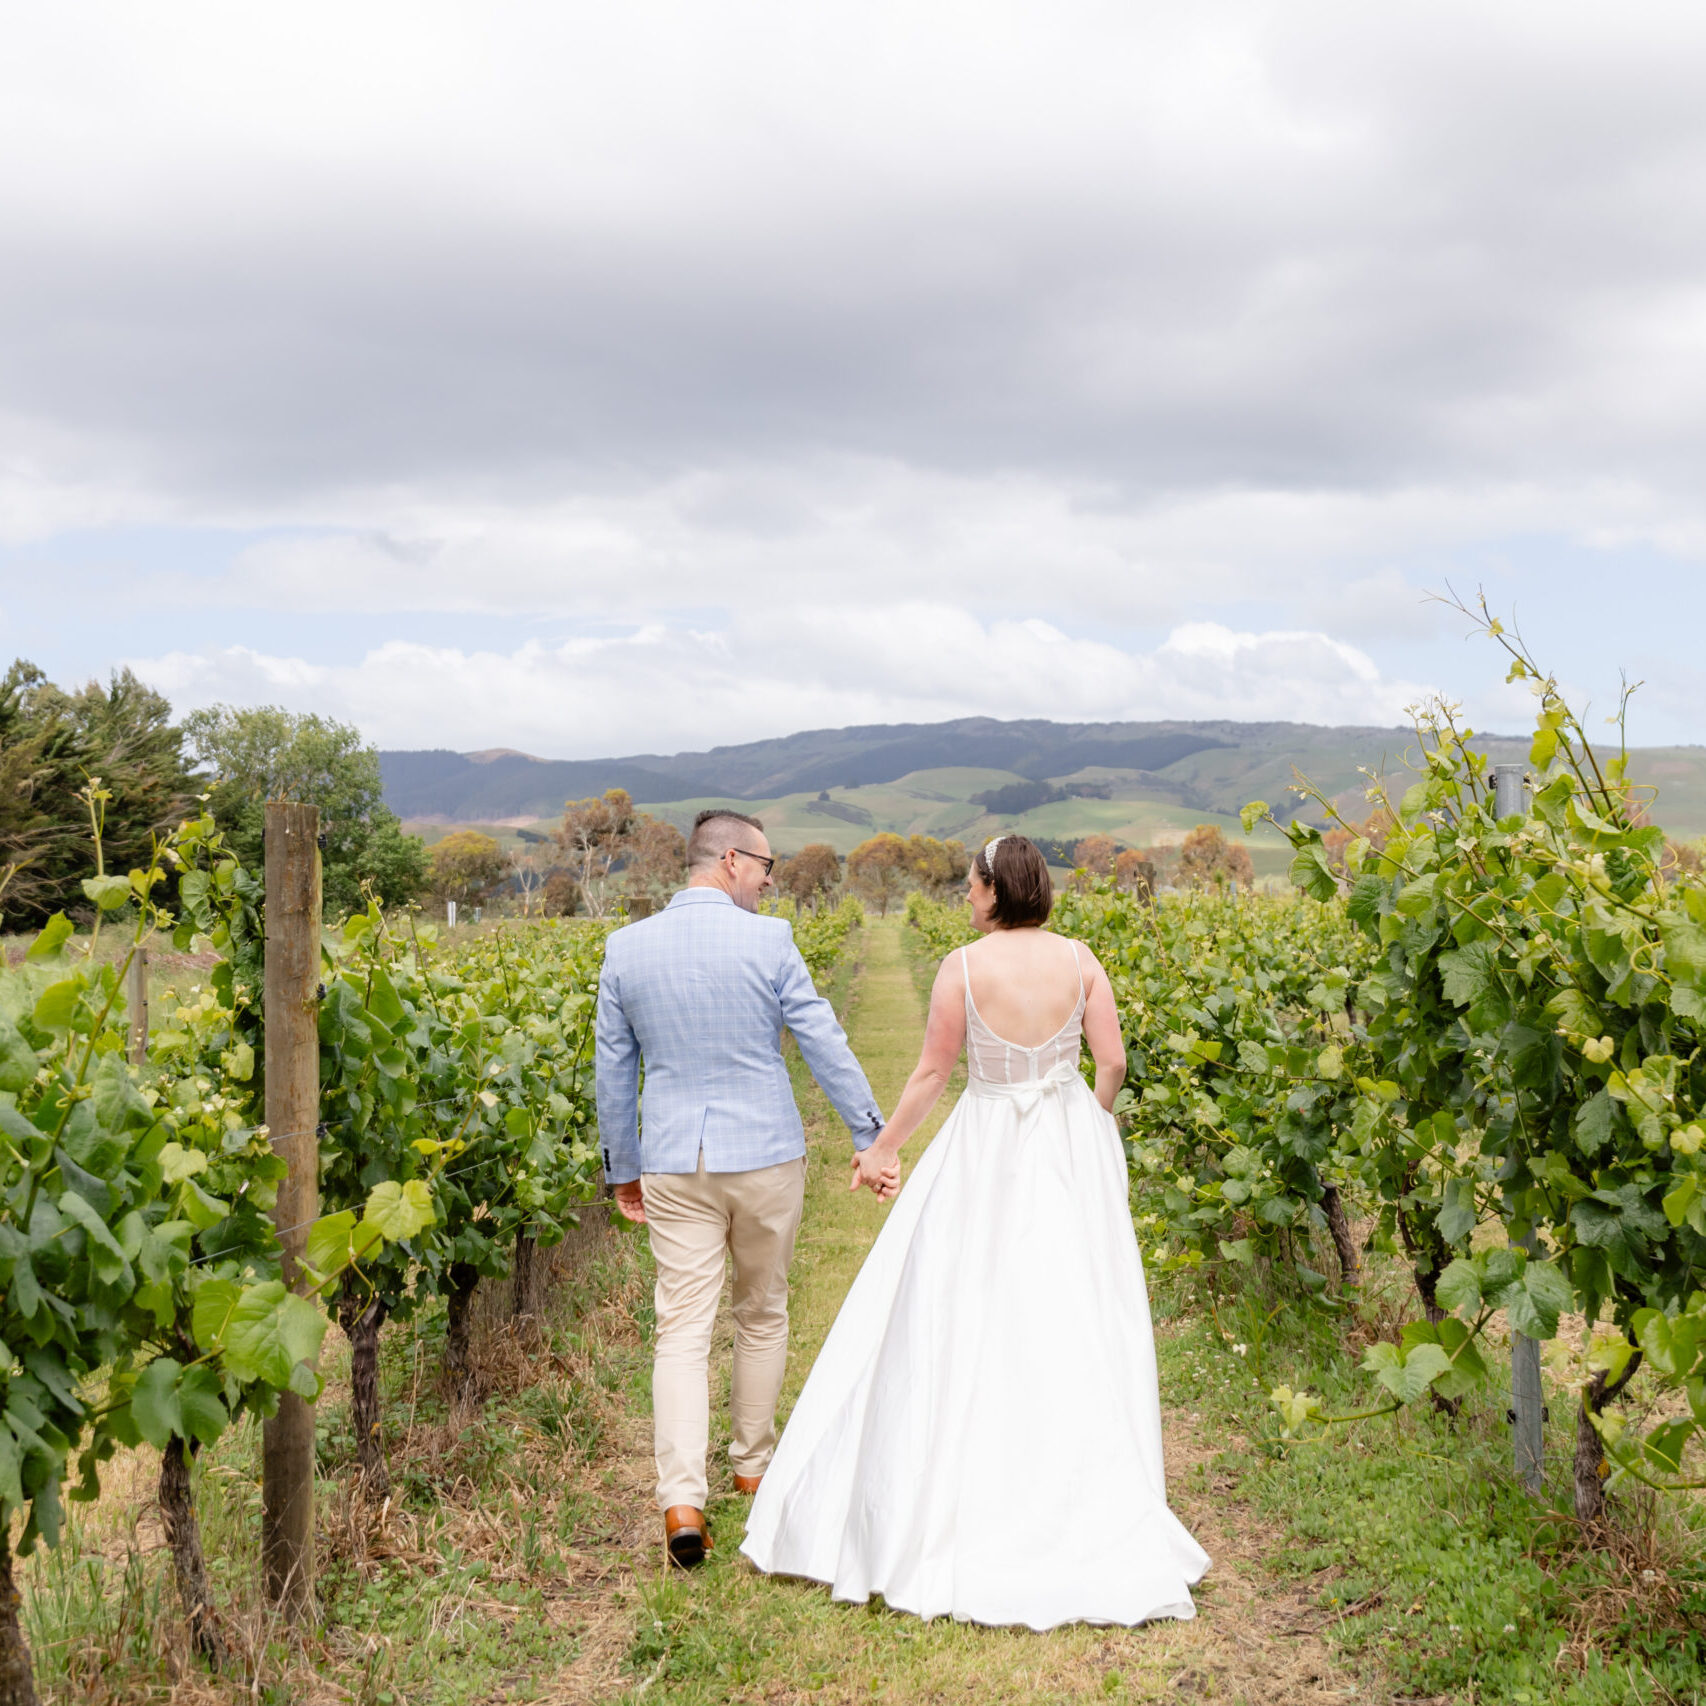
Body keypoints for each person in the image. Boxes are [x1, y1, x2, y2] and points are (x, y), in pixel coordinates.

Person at [741, 834, 1209, 1629]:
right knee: (1068, 1299)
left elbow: (931, 1073)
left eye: (970, 884)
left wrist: (884, 1148)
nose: (964, 895)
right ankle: (1078, 1481)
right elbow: (1114, 1064)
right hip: (1061, 1143)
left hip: (985, 1142)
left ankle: (961, 1488)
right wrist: (1085, 1122)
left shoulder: (962, 967)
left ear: (997, 890)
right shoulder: (1082, 960)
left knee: (966, 1303)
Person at [595, 808, 891, 1569]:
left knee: (682, 1329)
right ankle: (754, 1471)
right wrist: (869, 1135)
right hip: (763, 1155)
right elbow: (823, 1037)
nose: (768, 879)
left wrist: (621, 1167)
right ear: (730, 860)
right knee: (761, 1313)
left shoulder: (625, 949)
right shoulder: (771, 941)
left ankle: (681, 1502)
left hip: (671, 1161)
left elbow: (612, 1073)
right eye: (765, 865)